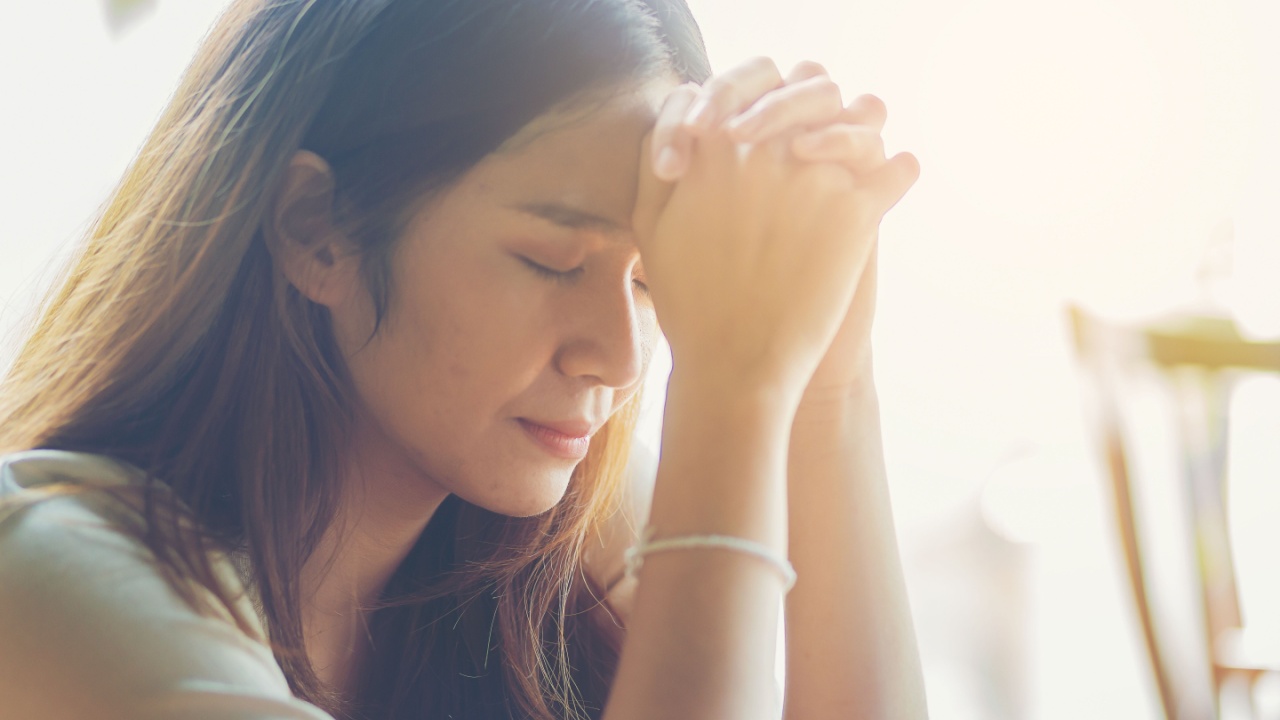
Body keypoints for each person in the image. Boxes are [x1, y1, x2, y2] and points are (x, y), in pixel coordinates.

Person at [0, 0, 925, 718]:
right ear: (315, 228)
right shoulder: (53, 583)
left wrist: (829, 387)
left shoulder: (573, 536)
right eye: (554, 261)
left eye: (655, 280)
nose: (619, 358)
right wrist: (735, 392)